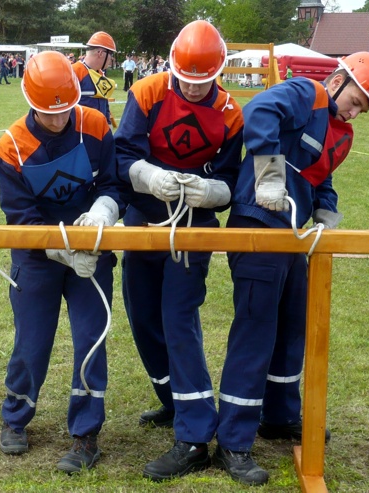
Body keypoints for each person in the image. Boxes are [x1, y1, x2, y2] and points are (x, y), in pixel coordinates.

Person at [219, 52, 369, 485]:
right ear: (338, 79)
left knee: (293, 325)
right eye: (356, 99)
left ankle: (279, 415)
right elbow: (257, 111)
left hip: (294, 236)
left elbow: (321, 178)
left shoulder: (342, 133)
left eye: (364, 109)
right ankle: (233, 440)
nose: (355, 111)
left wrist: (326, 211)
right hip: (257, 226)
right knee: (256, 330)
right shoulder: (306, 93)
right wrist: (269, 173)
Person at [114, 20, 244, 481]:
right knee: (143, 314)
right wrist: (149, 177)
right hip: (142, 218)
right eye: (185, 79)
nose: (192, 87)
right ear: (173, 69)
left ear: (216, 74)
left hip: (193, 227)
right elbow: (123, 154)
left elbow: (231, 180)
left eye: (202, 80)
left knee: (178, 317)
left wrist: (210, 192)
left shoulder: (230, 111)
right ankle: (174, 402)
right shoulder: (148, 93)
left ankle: (193, 435)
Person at [0, 50, 124, 473]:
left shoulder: (96, 124)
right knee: (31, 342)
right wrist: (58, 249)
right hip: (37, 257)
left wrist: (104, 212)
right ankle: (15, 417)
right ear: (29, 102)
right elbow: (22, 218)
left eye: (65, 111)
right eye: (47, 114)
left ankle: (86, 433)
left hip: (93, 249)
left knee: (91, 339)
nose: (57, 121)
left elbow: (112, 184)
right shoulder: (12, 146)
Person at [71, 31, 116, 124]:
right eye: (111, 54)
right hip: (80, 134)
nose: (111, 58)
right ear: (100, 53)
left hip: (98, 133)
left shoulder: (100, 74)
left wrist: (107, 124)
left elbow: (105, 104)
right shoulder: (74, 73)